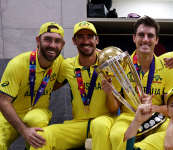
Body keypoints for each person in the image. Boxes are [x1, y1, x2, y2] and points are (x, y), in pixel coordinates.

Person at [30, 21, 119, 150]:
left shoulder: (109, 65)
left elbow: (114, 109)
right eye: (81, 37)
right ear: (74, 41)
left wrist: (109, 92)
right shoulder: (67, 65)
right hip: (79, 124)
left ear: (97, 40)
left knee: (99, 125)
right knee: (44, 136)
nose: (86, 41)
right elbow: (51, 87)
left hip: (105, 121)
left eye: (90, 37)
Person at [109, 16, 173, 150]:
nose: (146, 39)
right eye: (141, 35)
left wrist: (152, 108)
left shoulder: (167, 68)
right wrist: (109, 91)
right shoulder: (121, 66)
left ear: (156, 40)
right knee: (117, 135)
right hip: (128, 117)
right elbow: (113, 108)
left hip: (157, 117)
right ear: (134, 38)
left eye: (150, 35)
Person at [0, 22, 65, 149]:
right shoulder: (18, 64)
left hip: (37, 112)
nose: (52, 45)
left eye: (57, 41)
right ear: (38, 40)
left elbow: (81, 65)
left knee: (38, 125)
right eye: (47, 39)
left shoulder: (60, 63)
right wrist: (24, 131)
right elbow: (3, 101)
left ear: (62, 45)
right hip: (11, 113)